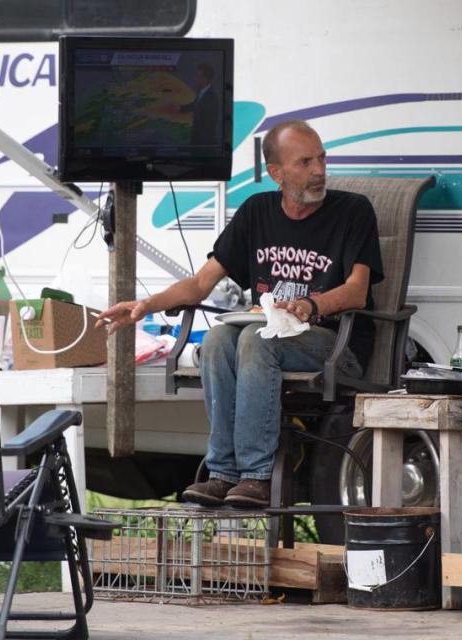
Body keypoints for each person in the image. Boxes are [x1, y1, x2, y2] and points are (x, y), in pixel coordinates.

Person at [95, 120, 384, 507]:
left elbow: (358, 290)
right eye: (305, 163)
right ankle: (223, 473)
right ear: (276, 173)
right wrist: (145, 304)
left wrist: (309, 306)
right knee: (216, 340)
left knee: (253, 339)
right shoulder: (256, 212)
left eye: (321, 159)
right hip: (270, 336)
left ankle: (256, 476)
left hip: (333, 342)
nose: (319, 171)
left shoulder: (353, 211)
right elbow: (201, 284)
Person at [179, 63, 219, 146]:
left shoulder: (212, 97)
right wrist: (180, 108)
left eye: (198, 76)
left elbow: (209, 124)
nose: (195, 78)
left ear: (205, 79)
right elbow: (195, 105)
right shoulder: (201, 91)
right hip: (197, 139)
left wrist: (200, 145)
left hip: (204, 143)